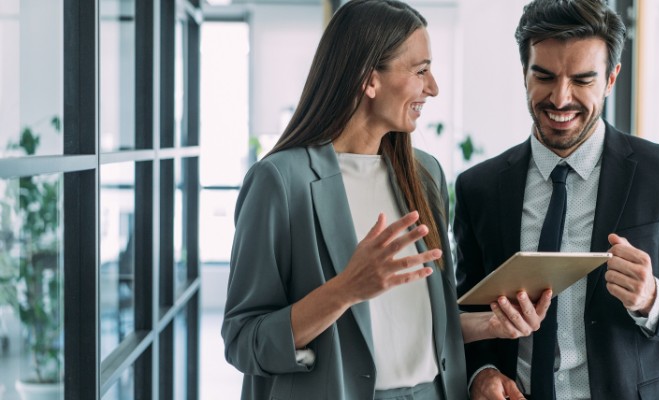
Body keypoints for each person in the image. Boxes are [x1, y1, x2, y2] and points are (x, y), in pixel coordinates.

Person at [221, 1, 552, 399]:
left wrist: (493, 325)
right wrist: (345, 290)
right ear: (369, 78)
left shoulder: (424, 174)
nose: (433, 87)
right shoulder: (279, 182)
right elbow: (244, 341)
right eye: (420, 70)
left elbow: (418, 325)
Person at [454, 0, 659, 399]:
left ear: (611, 78)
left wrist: (653, 297)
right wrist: (480, 372)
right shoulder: (477, 188)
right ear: (524, 74)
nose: (560, 99)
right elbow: (467, 313)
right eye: (544, 77)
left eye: (583, 80)